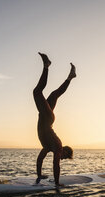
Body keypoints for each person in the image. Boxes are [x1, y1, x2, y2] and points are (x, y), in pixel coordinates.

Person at [33, 52, 76, 186]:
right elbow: (55, 165)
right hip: (47, 119)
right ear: (65, 151)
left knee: (54, 94)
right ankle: (46, 66)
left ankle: (70, 77)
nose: (61, 159)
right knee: (37, 92)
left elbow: (40, 159)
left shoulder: (48, 146)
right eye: (65, 157)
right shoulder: (57, 146)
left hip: (46, 117)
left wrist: (39, 175)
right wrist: (57, 184)